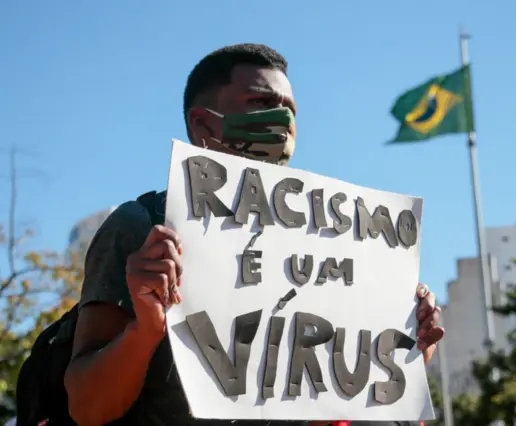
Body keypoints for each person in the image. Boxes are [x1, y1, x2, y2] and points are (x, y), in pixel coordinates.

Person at [63, 43, 445, 426]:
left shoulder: (331, 245)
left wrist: (404, 347)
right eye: (261, 102)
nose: (282, 119)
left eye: (290, 110)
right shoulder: (143, 227)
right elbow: (87, 408)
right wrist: (144, 330)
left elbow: (328, 400)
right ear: (203, 124)